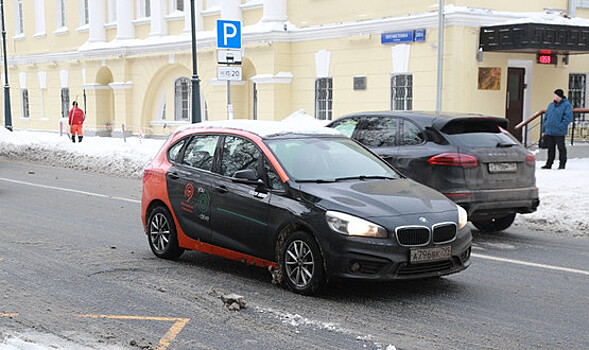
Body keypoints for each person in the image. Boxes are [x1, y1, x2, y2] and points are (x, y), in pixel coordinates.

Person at [541, 89, 573, 169]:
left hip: (559, 132)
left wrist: (561, 126)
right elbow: (546, 118)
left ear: (560, 96)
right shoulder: (551, 105)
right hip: (549, 131)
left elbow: (568, 117)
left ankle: (562, 164)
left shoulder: (566, 105)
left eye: (556, 95)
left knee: (561, 148)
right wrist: (544, 129)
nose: (554, 97)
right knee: (550, 149)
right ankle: (549, 164)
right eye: (554, 95)